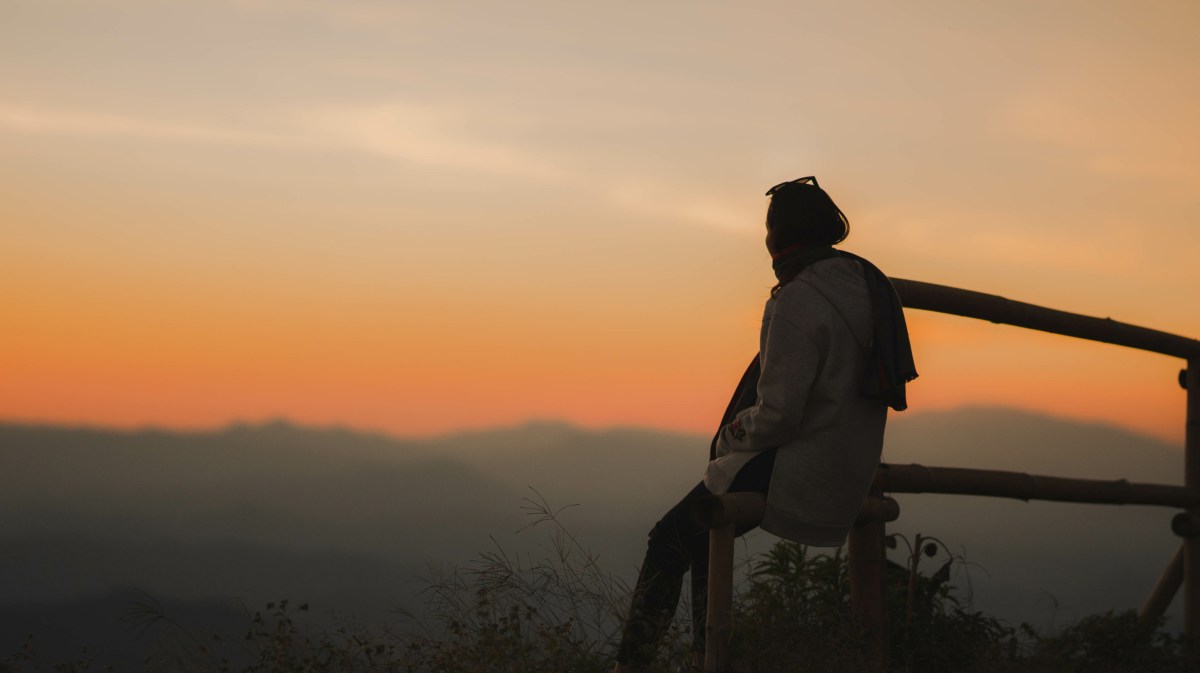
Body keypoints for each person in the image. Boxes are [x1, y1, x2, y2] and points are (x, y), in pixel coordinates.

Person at [613, 176, 917, 672]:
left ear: (776, 238)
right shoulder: (864, 281)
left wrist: (729, 435)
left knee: (667, 540)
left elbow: (778, 415)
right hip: (850, 459)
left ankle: (632, 664)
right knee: (704, 537)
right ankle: (705, 657)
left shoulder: (796, 299)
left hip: (801, 463)